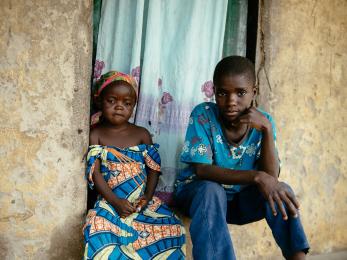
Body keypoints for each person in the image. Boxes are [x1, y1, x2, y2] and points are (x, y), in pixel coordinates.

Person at [174, 56, 309, 260]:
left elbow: (270, 177)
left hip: (239, 203)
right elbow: (203, 170)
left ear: (253, 92)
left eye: (241, 93)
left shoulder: (264, 122)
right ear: (214, 91)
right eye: (222, 93)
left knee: (282, 190)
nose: (231, 101)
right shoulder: (203, 115)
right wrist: (256, 177)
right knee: (211, 190)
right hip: (200, 199)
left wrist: (267, 130)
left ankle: (297, 257)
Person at [83, 71, 186, 259]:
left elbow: (153, 169)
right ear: (99, 102)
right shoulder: (96, 135)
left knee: (171, 228)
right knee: (98, 230)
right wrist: (115, 201)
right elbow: (95, 173)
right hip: (110, 202)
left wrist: (146, 198)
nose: (119, 107)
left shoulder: (141, 134)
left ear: (133, 107)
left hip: (141, 202)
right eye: (112, 101)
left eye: (127, 103)